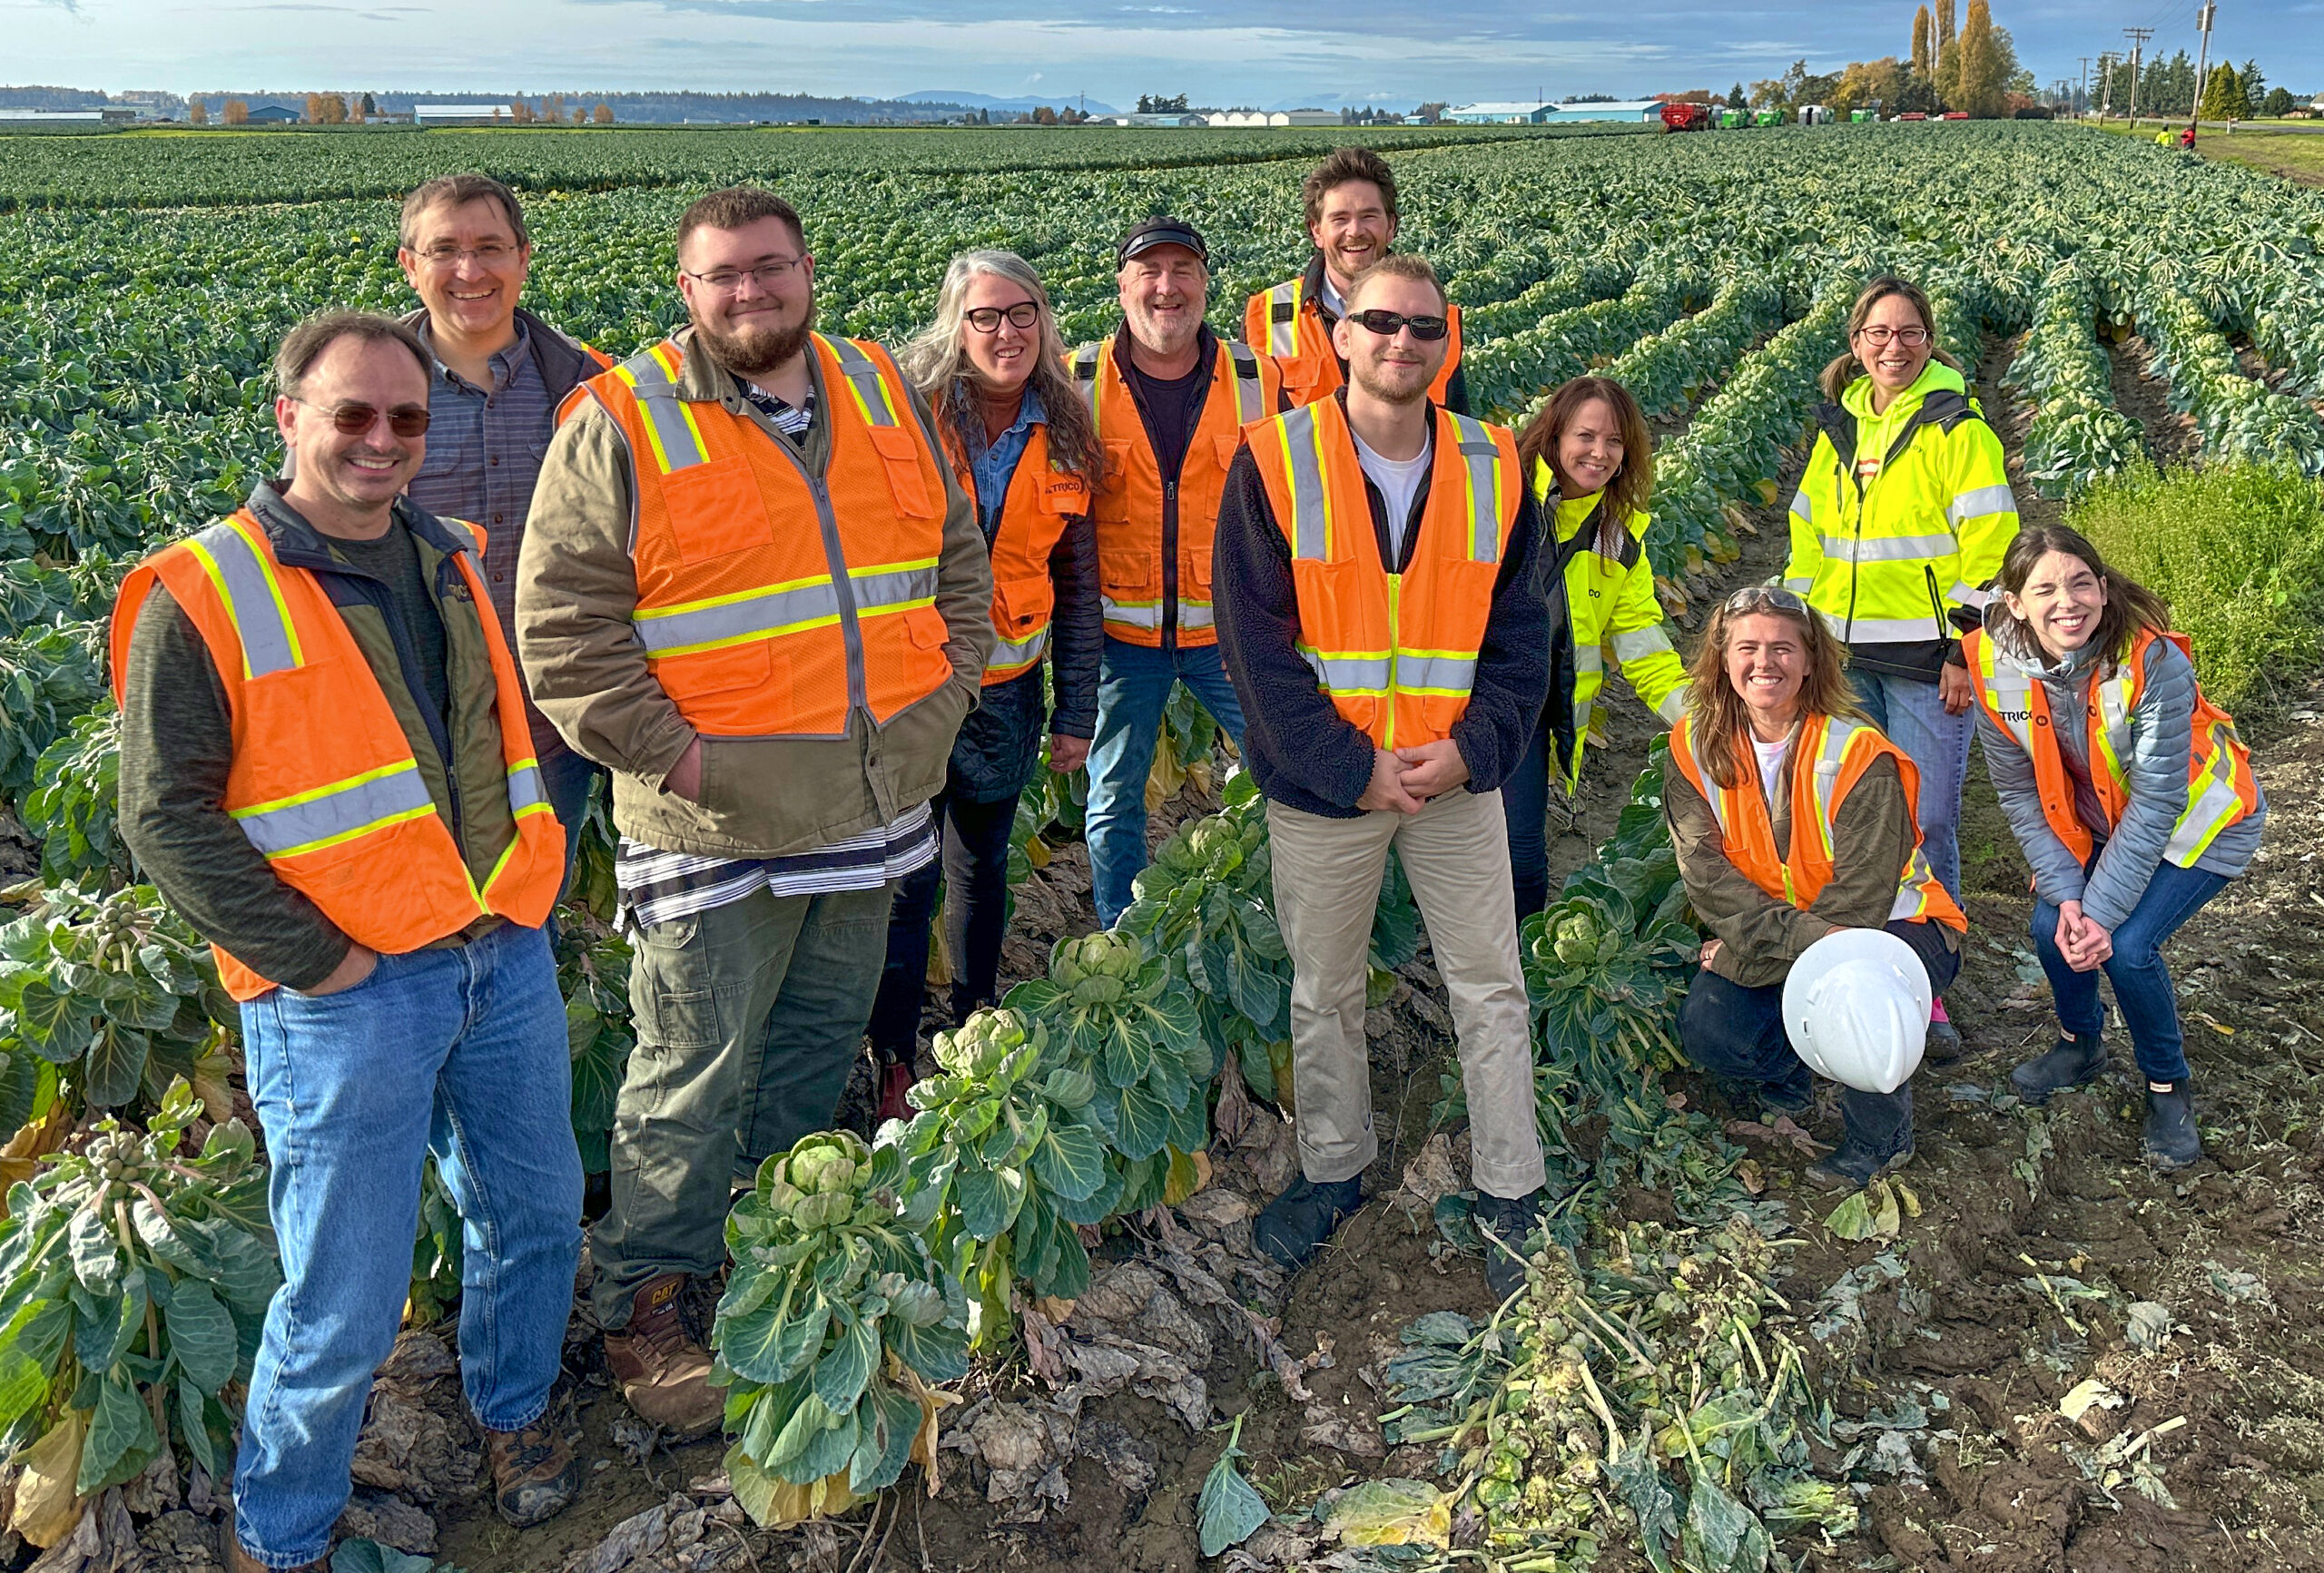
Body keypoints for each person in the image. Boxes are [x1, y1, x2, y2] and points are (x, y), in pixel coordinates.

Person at [518, 186, 992, 1436]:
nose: (749, 294)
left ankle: (772, 1247)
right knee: (689, 1073)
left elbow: (956, 554)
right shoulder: (623, 418)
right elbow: (564, 634)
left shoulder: (881, 390)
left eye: (769, 270)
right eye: (721, 277)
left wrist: (943, 698)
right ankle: (645, 1299)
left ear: (808, 270)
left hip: (869, 804)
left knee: (810, 1046)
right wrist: (683, 764)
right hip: (713, 825)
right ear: (688, 292)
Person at [113, 312, 583, 1572]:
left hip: (498, 947)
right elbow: (161, 815)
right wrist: (319, 959)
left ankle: (514, 1412)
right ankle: (288, 1531)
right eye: (352, 416)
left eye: (407, 419)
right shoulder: (204, 590)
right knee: (344, 1298)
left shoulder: (452, 557)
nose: (382, 441)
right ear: (288, 419)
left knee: (535, 1214)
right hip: (347, 994)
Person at [1216, 253, 1552, 1302]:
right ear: (1339, 336)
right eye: (1380, 323)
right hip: (1329, 787)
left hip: (1455, 776)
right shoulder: (1274, 459)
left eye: (1422, 328)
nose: (1402, 342)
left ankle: (1512, 1184)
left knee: (1489, 982)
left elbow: (1524, 632)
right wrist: (1348, 765)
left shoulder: (1498, 464)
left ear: (1447, 342)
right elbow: (1255, 647)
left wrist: (1473, 749)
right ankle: (1333, 1170)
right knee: (1324, 991)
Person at [866, 251, 1103, 1119]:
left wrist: (1076, 710)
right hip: (914, 690)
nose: (1005, 333)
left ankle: (973, 1023)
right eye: (985, 316)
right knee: (904, 880)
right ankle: (892, 1056)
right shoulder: (909, 419)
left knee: (981, 867)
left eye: (1022, 315)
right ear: (954, 328)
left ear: (1043, 324)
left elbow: (1079, 584)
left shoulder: (1069, 428)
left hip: (1007, 690)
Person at [1965, 526, 2264, 1168]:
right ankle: (2080, 1044)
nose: (2066, 601)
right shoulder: (1991, 667)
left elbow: (2158, 802)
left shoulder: (2152, 662)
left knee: (2126, 947)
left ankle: (2167, 1084)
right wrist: (2073, 900)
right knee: (2051, 926)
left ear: (2102, 589)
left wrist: (2099, 914)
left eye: (2080, 583)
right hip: (2109, 823)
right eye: (2044, 588)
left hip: (2202, 823)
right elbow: (2020, 796)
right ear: (2014, 603)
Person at [1783, 275, 2016, 1059]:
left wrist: (1962, 647)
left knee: (1929, 819)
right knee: (1859, 817)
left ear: (1929, 339)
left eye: (1908, 332)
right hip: (1846, 661)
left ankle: (1929, 982)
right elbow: (1808, 534)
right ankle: (1862, 957)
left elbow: (1991, 543)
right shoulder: (1839, 429)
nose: (1893, 346)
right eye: (1877, 334)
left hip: (1924, 662)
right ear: (1856, 345)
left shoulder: (1958, 427)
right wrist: (1798, 632)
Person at [1665, 585, 1966, 1190]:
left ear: (1810, 661)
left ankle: (1879, 1138)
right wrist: (1764, 947)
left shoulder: (1857, 753)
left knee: (1860, 992)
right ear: (1722, 661)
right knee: (1708, 1027)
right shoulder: (1693, 749)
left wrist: (1743, 954)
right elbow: (1709, 883)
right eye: (1747, 647)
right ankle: (1800, 1071)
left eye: (1783, 648)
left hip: (1895, 934)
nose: (1764, 662)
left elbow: (1858, 911)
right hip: (1794, 931)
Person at [396, 174, 615, 874]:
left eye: (491, 247)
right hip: (411, 723)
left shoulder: (590, 390)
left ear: (523, 256)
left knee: (535, 913)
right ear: (410, 265)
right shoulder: (364, 395)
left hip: (552, 721)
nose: (470, 271)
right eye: (445, 250)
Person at [1071, 216, 1284, 927]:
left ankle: (1277, 913)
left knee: (1284, 770)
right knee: (1110, 802)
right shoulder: (1077, 381)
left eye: (1183, 270)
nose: (1168, 287)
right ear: (1123, 286)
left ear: (1204, 281)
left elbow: (1299, 509)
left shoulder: (1257, 379)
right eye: (1150, 272)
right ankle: (1122, 934)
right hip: (1120, 642)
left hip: (1230, 634)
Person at [1504, 375, 1684, 919]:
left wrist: (1707, 721)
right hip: (1450, 700)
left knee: (1523, 863)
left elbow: (1647, 651)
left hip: (1527, 714)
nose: (1599, 453)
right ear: (1555, 435)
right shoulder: (1500, 492)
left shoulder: (1618, 538)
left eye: (1614, 442)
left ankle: (1516, 978)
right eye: (1586, 436)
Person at [1243, 147, 1470, 414]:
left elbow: (1453, 429)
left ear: (1391, 226)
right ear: (1316, 231)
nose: (1355, 231)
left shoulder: (1435, 320)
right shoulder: (1264, 316)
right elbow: (1252, 428)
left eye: (1368, 216)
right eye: (1340, 219)